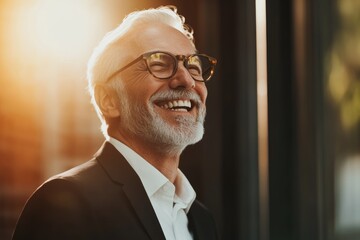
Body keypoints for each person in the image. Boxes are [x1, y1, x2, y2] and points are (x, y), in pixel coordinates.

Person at [12, 5, 218, 240]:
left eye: (193, 66)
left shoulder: (202, 221)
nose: (186, 80)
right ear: (108, 100)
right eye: (159, 63)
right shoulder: (64, 204)